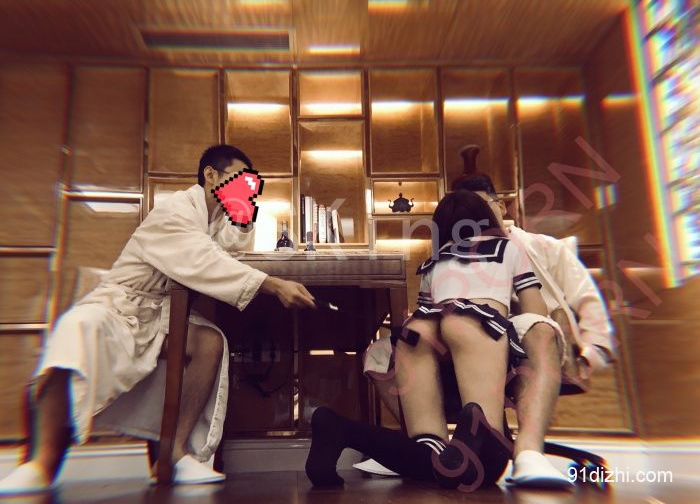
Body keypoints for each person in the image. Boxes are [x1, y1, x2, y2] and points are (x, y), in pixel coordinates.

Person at [0, 144, 316, 495]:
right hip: (120, 304)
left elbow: (231, 244)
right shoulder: (175, 210)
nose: (246, 187)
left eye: (250, 183)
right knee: (75, 330)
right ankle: (40, 464)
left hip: (159, 313)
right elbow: (201, 258)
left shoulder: (212, 217)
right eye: (239, 179)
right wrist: (272, 285)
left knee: (209, 343)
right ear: (210, 175)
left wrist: (243, 207)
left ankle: (175, 453)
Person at [361, 171, 615, 488]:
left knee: (539, 327)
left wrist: (592, 352)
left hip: (521, 328)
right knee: (384, 350)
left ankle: (529, 453)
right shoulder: (445, 255)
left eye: (479, 204)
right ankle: (424, 444)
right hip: (461, 331)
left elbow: (585, 300)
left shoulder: (541, 247)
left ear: (499, 206)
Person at [306, 190, 560, 490]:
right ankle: (474, 423)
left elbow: (425, 309)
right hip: (475, 324)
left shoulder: (434, 260)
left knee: (427, 450)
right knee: (487, 453)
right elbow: (535, 312)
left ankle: (339, 429)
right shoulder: (508, 248)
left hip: (420, 330)